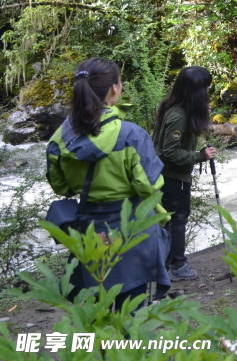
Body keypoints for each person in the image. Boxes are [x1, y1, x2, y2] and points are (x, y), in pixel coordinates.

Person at [45, 58, 170, 304]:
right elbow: (149, 187)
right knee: (132, 308)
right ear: (114, 88)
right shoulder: (131, 134)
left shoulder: (62, 137)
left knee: (94, 310)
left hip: (90, 231)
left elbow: (61, 187)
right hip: (132, 228)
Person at [151, 66, 217, 281]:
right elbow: (170, 151)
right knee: (177, 219)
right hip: (172, 176)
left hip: (166, 174)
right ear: (196, 91)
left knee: (170, 220)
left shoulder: (176, 107)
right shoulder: (178, 115)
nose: (209, 92)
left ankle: (168, 262)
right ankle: (177, 265)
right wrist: (201, 156)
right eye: (206, 88)